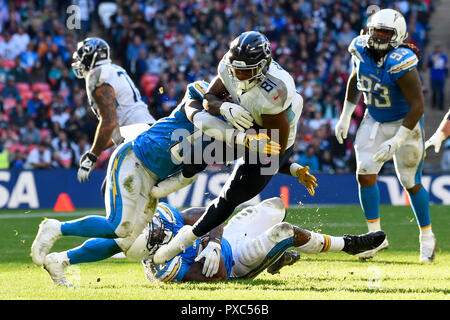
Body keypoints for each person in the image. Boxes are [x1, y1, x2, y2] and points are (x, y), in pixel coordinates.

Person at [31, 80, 282, 286]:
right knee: (118, 227)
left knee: (126, 240)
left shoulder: (233, 128)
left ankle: (61, 260)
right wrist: (237, 129)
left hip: (153, 175)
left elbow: (251, 156)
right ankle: (56, 227)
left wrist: (287, 164)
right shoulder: (204, 94)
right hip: (136, 159)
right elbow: (204, 110)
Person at [153, 31, 316, 265]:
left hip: (269, 143)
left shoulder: (275, 91)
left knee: (228, 198)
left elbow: (273, 147)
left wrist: (288, 166)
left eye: (246, 70)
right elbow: (209, 97)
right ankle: (172, 182)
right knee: (196, 154)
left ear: (263, 66)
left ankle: (179, 244)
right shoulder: (229, 66)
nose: (239, 75)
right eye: (236, 69)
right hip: (242, 125)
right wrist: (223, 108)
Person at [334, 9, 436, 262]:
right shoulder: (359, 48)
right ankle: (375, 238)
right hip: (375, 118)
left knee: (410, 182)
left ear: (397, 35)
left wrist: (397, 140)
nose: (377, 36)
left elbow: (418, 105)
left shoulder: (401, 60)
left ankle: (427, 237)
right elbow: (356, 77)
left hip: (405, 123)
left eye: (384, 32)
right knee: (365, 174)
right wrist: (345, 115)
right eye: (375, 30)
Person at [123, 198, 385, 283]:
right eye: (155, 233)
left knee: (275, 206)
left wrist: (211, 241)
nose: (160, 227)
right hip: (235, 262)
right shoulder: (163, 268)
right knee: (284, 230)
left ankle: (276, 258)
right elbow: (219, 276)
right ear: (148, 248)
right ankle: (348, 244)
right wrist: (201, 244)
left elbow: (211, 214)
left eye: (154, 225)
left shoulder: (166, 219)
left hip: (227, 240)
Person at [70, 37, 155, 184]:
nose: (79, 62)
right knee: (115, 188)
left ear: (91, 55)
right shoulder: (115, 70)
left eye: (81, 57)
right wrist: (94, 150)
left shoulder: (97, 76)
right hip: (146, 133)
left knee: (114, 189)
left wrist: (92, 157)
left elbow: (109, 123)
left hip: (138, 141)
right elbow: (115, 131)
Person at [427, 42, 448, 110]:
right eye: (436, 47)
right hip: (433, 77)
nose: (437, 49)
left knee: (441, 92)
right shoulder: (431, 55)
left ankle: (441, 105)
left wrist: (447, 73)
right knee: (434, 91)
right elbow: (428, 65)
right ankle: (434, 103)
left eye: (439, 47)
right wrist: (432, 61)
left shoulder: (443, 56)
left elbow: (446, 66)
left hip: (441, 77)